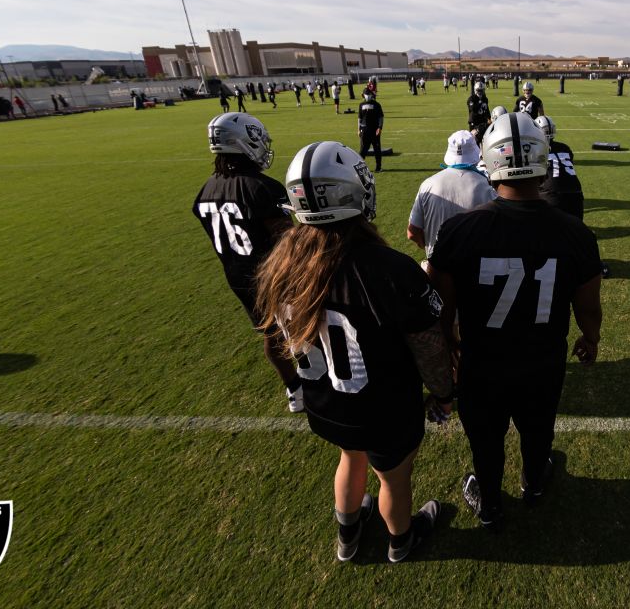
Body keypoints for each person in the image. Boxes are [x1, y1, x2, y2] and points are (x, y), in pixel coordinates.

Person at [257, 141, 454, 564]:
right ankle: (401, 541)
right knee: (393, 478)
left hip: (327, 403)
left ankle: (347, 537)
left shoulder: (280, 265)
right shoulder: (389, 269)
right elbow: (428, 343)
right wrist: (442, 391)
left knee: (350, 457)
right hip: (384, 408)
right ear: (349, 193)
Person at [429, 112, 603, 531]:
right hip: (542, 360)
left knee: (485, 441)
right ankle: (534, 483)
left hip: (482, 363)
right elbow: (588, 306)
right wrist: (591, 337)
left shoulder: (459, 230)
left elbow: (440, 308)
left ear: (490, 162)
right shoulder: (575, 233)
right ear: (542, 160)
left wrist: (448, 343)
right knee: (538, 428)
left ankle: (490, 504)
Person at [192, 112, 300, 428]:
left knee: (270, 332)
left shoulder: (204, 191)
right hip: (275, 274)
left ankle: (294, 389)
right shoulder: (261, 187)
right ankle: (317, 380)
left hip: (237, 275)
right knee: (305, 326)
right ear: (242, 142)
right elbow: (286, 239)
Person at [408, 130, 496, 263]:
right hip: (475, 270)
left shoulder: (427, 185)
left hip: (437, 269)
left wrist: (429, 246)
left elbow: (412, 232)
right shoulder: (488, 187)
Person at [535, 115, 584, 220]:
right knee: (575, 230)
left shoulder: (536, 150)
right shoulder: (565, 147)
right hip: (576, 193)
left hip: (552, 195)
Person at [357, 90, 385, 172]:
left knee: (377, 149)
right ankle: (360, 169)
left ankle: (378, 167)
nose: (368, 96)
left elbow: (381, 117)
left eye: (369, 94)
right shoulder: (361, 105)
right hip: (364, 130)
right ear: (363, 95)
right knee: (363, 150)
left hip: (374, 130)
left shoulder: (376, 104)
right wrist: (358, 129)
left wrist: (380, 127)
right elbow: (359, 118)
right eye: (366, 94)